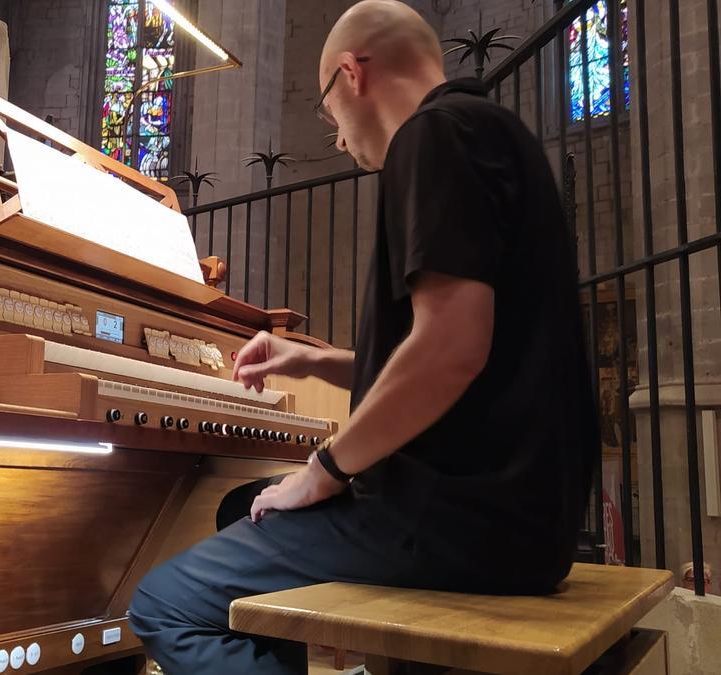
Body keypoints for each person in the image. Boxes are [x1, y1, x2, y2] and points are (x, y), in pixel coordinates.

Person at [127, 1, 600, 673]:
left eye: (329, 116)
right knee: (243, 506)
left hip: (457, 523)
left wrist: (325, 469)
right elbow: (475, 355)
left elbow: (450, 351)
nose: (341, 141)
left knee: (164, 602)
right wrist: (318, 361)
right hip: (519, 518)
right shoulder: (494, 132)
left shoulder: (432, 136)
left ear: (351, 73)